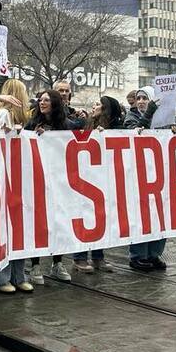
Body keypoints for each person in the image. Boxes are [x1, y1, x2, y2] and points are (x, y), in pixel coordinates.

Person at [25, 89, 77, 283]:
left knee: (59, 221)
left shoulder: (66, 125)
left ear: (55, 103)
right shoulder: (32, 123)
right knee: (39, 221)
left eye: (46, 100)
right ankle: (36, 265)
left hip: (59, 180)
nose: (42, 102)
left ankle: (57, 262)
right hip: (38, 179)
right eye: (41, 100)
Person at [72, 96, 126, 274]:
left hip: (104, 179)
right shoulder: (85, 123)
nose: (94, 107)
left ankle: (98, 256)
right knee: (84, 217)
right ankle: (79, 257)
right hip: (85, 179)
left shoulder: (115, 127)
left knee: (100, 218)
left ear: (105, 110)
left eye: (98, 105)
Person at [0, 79, 33, 293]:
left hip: (17, 174)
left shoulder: (20, 117)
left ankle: (18, 275)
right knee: (7, 225)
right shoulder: (4, 114)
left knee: (20, 225)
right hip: (6, 173)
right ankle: (2, 278)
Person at [124, 87, 166, 270]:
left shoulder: (164, 119)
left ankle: (154, 254)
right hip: (138, 175)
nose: (141, 101)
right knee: (141, 215)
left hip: (159, 175)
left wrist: (174, 129)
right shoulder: (130, 118)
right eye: (138, 98)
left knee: (161, 215)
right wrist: (148, 113)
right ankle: (138, 255)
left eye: (145, 98)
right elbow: (136, 134)